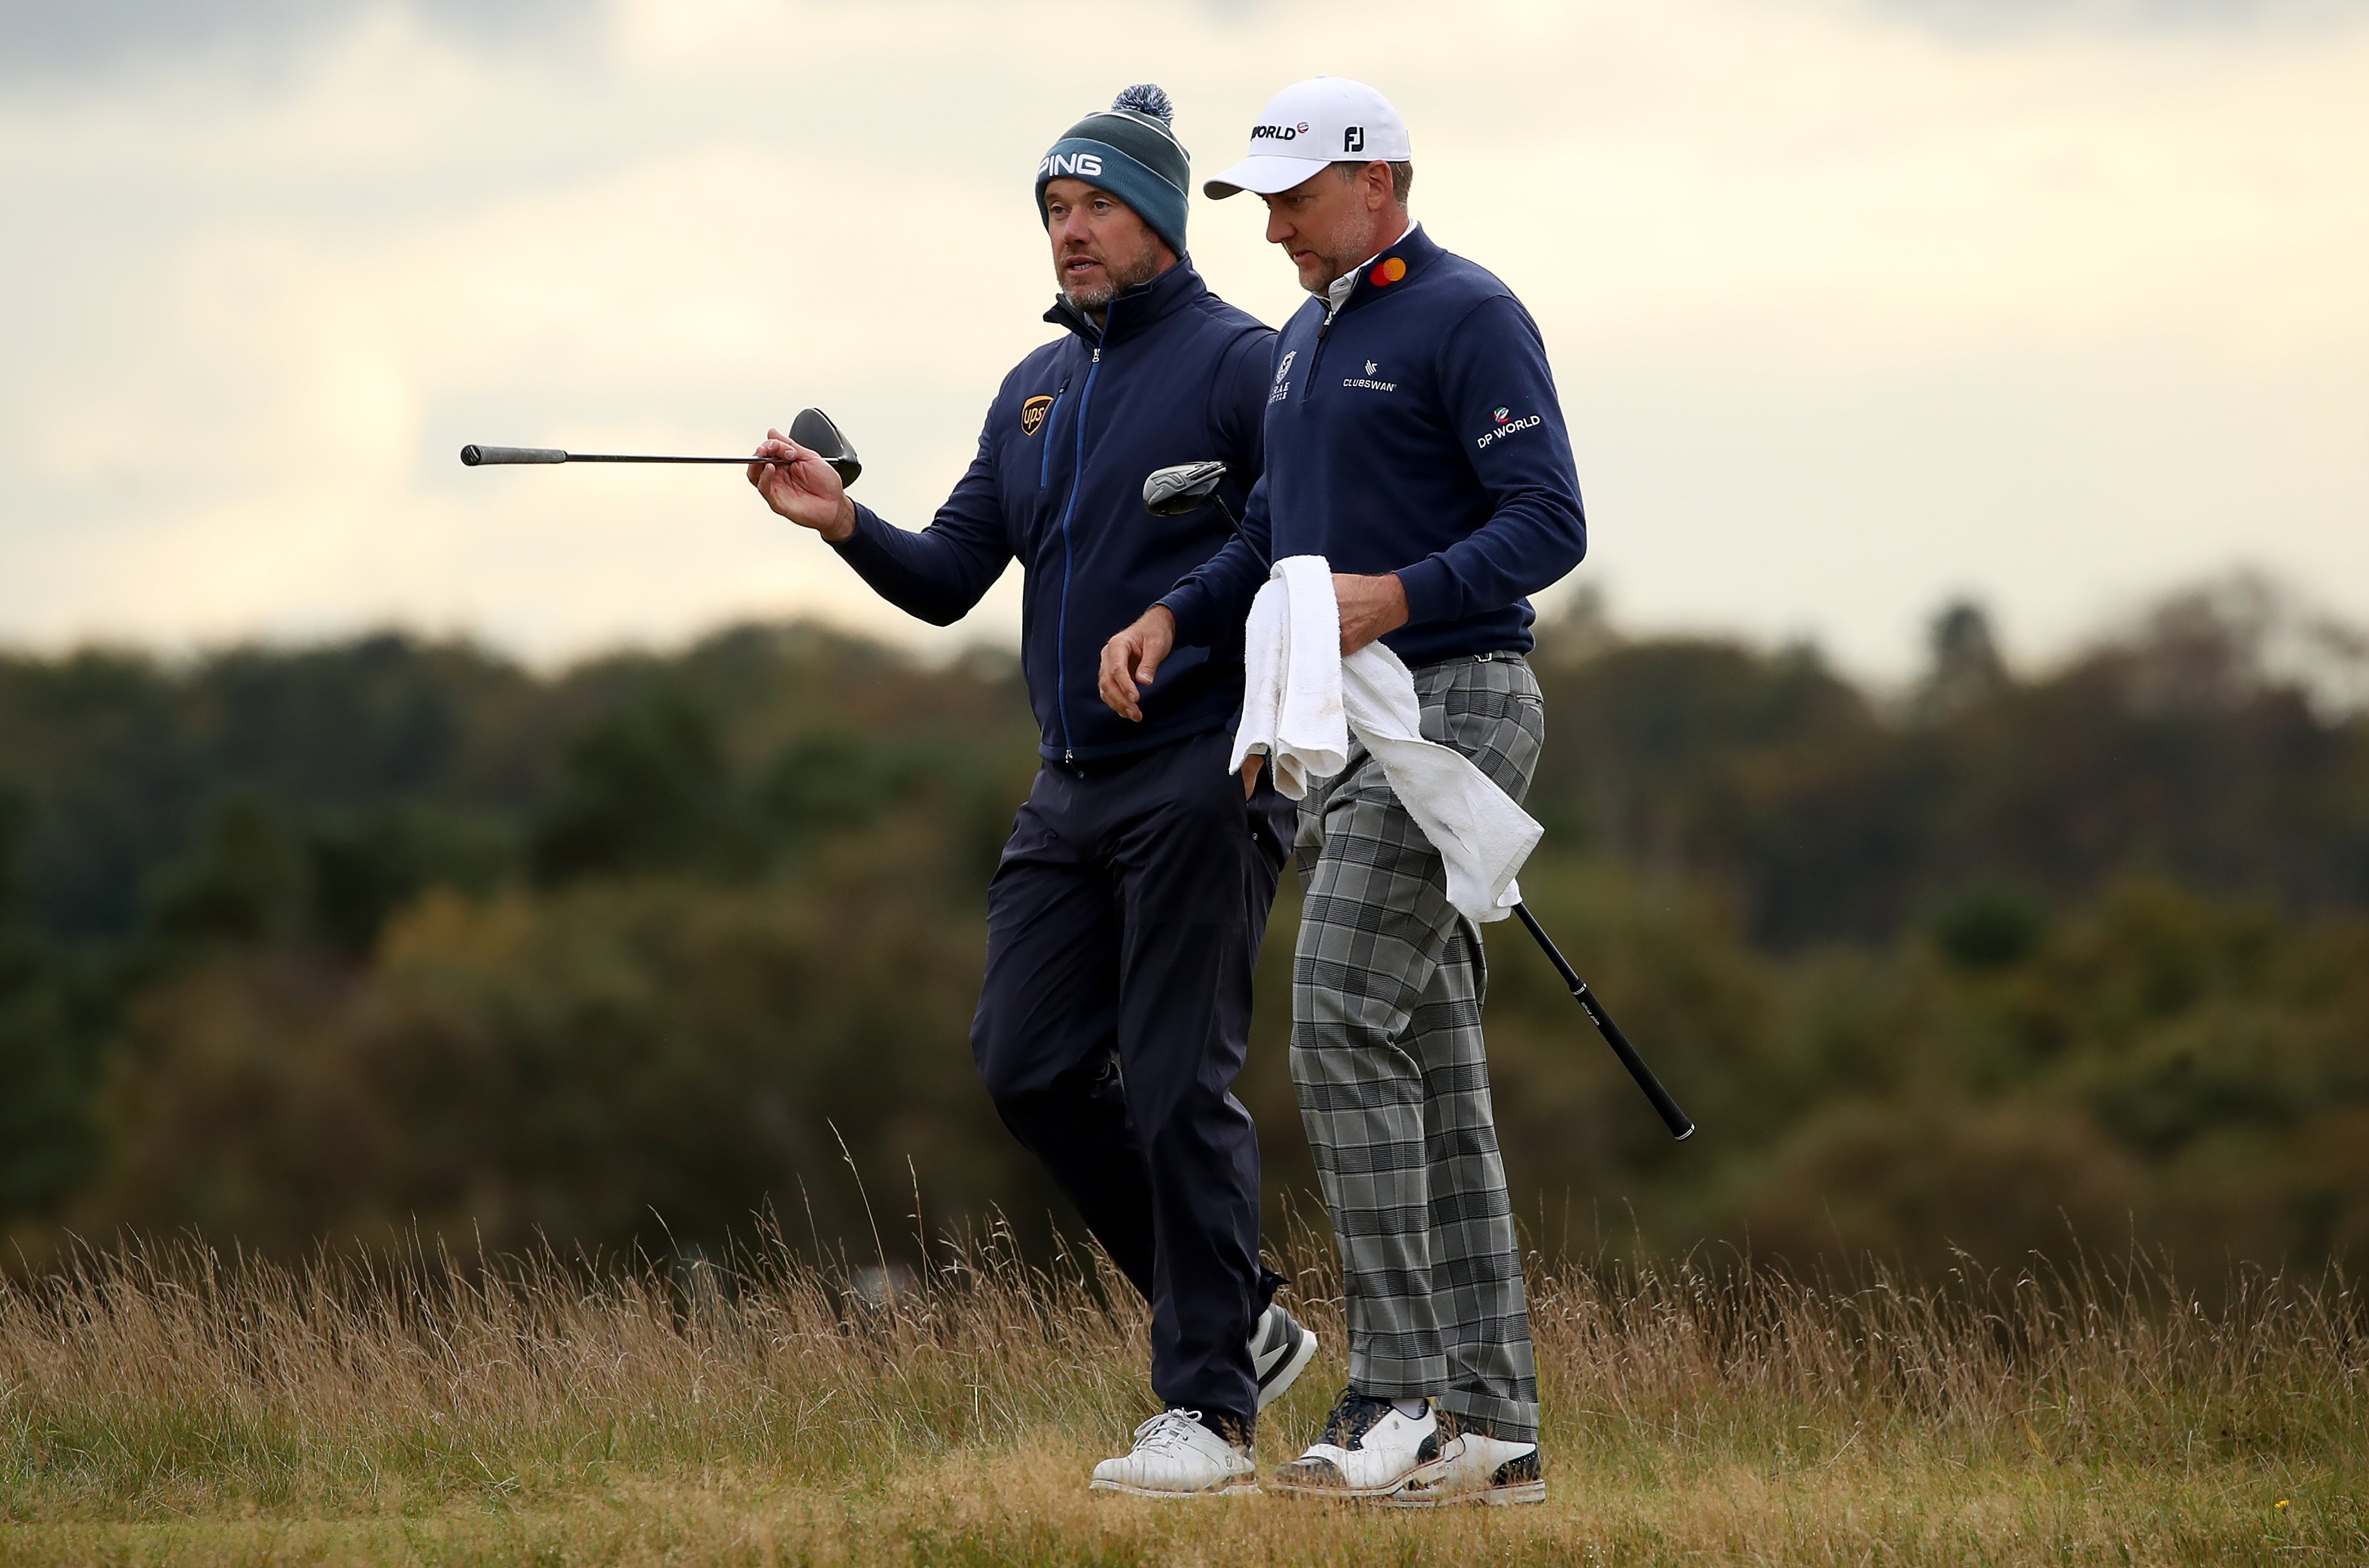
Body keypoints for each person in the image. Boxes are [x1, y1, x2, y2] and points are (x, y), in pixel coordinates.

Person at [748, 85, 1313, 1497]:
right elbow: (947, 578)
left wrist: (1184, 617)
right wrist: (842, 522)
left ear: (1161, 220)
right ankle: (1235, 1307)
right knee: (1026, 1063)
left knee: (1183, 1082)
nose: (1071, 234)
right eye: (1056, 213)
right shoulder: (1032, 392)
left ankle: (1209, 1413)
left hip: (1202, 772)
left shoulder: (1246, 365)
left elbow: (1296, 533)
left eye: (1097, 208)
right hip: (1068, 794)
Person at [1100, 75, 1586, 1506]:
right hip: (1352, 726)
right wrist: (1181, 617)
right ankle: (1496, 1434)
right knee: (1429, 1065)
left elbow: (1547, 519)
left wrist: (1401, 595)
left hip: (1457, 709)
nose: (1273, 232)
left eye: (1294, 201)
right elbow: (1270, 530)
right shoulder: (1308, 335)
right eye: (1261, 205)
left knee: (1331, 1014)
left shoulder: (1468, 312)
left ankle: (1396, 1398)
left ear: (1379, 180)